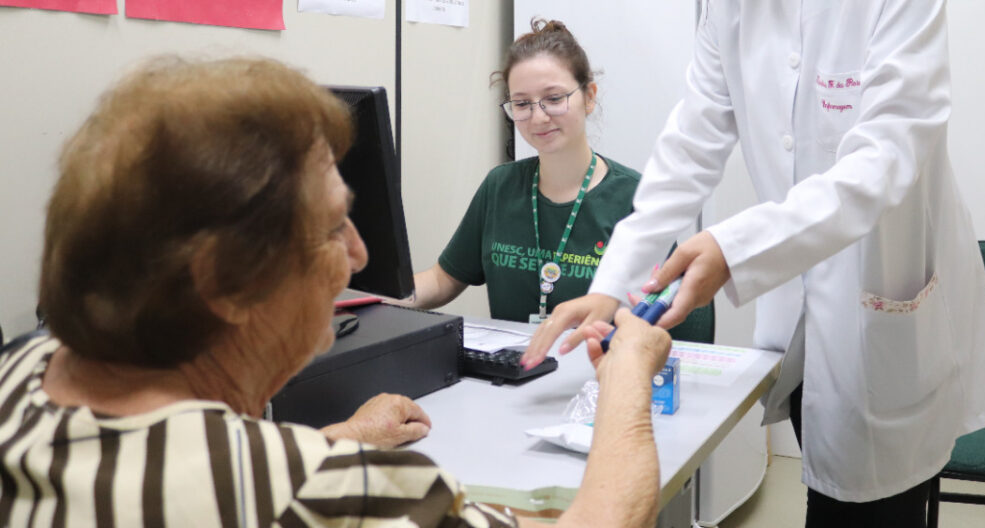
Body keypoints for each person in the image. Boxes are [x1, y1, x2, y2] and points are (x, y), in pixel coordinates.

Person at [523, 0, 985, 527]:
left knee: (871, 503)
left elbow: (883, 161)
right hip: (797, 292)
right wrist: (612, 287)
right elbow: (688, 149)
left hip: (883, 294)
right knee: (818, 466)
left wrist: (733, 249)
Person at [0, 56, 671, 528]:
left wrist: (346, 435)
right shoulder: (309, 489)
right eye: (330, 228)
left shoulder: (22, 368)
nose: (360, 255)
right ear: (222, 282)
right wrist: (627, 380)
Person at [410, 19, 713, 342]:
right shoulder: (499, 187)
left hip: (603, 377)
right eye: (522, 103)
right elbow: (443, 280)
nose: (538, 117)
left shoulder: (633, 198)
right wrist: (370, 297)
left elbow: (682, 313)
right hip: (515, 378)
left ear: (589, 96)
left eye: (554, 98)